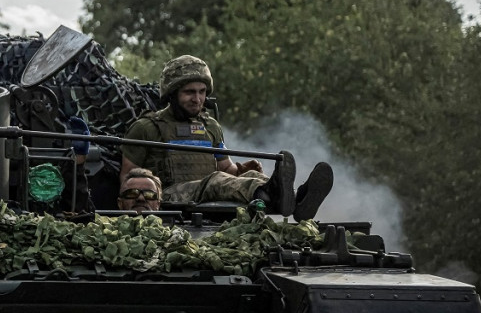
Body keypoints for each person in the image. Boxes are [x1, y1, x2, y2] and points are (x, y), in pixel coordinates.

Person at [120, 55, 333, 220]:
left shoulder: (210, 126)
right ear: (172, 93)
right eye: (189, 92)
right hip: (166, 196)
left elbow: (226, 170)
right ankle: (271, 193)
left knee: (250, 176)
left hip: (205, 191)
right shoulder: (146, 128)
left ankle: (297, 199)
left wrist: (242, 170)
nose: (197, 99)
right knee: (215, 181)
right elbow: (127, 179)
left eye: (202, 92)